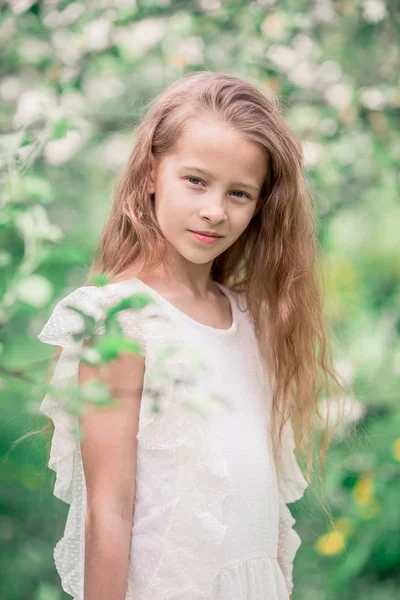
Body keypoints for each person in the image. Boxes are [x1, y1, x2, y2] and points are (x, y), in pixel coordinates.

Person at [37, 71, 346, 600]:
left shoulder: (252, 318)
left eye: (239, 193)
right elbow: (107, 513)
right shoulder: (121, 320)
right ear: (151, 172)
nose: (214, 211)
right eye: (196, 181)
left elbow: (259, 513)